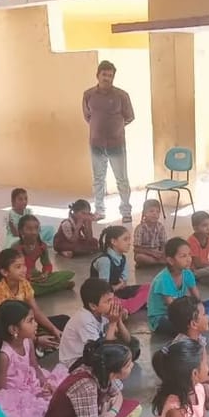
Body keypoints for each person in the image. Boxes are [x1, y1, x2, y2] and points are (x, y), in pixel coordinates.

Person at [42, 340, 152, 417]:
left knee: (136, 407)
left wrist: (110, 413)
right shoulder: (86, 385)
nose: (132, 365)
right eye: (127, 365)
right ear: (113, 374)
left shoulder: (103, 371)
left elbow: (117, 394)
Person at [0, 300, 69, 417]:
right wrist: (30, 397)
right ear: (14, 329)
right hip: (12, 393)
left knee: (57, 392)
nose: (36, 324)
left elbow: (35, 367)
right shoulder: (4, 356)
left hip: (28, 381)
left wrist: (45, 383)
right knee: (36, 409)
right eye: (30, 321)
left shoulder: (27, 341)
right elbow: (0, 392)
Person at [83, 60, 135, 223]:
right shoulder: (88, 94)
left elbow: (129, 117)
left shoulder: (121, 95)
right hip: (96, 144)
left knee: (122, 179)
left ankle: (126, 211)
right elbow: (88, 116)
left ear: (113, 77)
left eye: (110, 75)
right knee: (98, 179)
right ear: (97, 75)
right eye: (104, 75)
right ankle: (99, 210)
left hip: (116, 145)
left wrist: (116, 128)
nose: (107, 78)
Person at [0, 249, 69, 344]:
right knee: (37, 341)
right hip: (6, 334)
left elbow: (35, 310)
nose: (24, 269)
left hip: (23, 324)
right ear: (4, 272)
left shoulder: (24, 283)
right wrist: (36, 340)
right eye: (18, 267)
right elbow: (8, 328)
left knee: (64, 320)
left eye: (24, 265)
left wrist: (53, 329)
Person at [59, 279, 141, 369]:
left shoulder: (101, 313)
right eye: (108, 301)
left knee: (133, 344)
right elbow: (101, 351)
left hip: (95, 350)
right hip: (76, 363)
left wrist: (118, 321)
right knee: (113, 356)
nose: (112, 303)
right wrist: (113, 323)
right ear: (93, 306)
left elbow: (127, 340)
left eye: (113, 299)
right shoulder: (84, 320)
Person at [147, 237, 209, 333]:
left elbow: (197, 298)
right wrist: (194, 315)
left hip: (184, 312)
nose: (189, 259)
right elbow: (174, 309)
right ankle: (198, 323)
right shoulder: (163, 280)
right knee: (180, 325)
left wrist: (199, 310)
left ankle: (198, 322)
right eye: (183, 256)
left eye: (189, 255)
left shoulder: (187, 273)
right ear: (171, 260)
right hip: (163, 317)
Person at [91, 225, 151, 314]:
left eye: (129, 239)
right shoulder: (105, 260)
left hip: (117, 291)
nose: (129, 243)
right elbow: (104, 289)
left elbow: (124, 282)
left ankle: (129, 306)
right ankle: (134, 305)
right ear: (114, 241)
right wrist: (118, 286)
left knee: (150, 287)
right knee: (111, 302)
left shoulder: (122, 258)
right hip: (104, 296)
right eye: (125, 239)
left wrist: (120, 285)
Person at [15, 214, 76, 297]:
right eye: (29, 229)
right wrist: (29, 278)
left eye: (36, 228)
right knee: (23, 287)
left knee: (68, 274)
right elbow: (13, 271)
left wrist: (45, 274)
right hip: (22, 279)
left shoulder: (42, 246)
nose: (34, 232)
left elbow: (47, 264)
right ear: (21, 231)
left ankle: (45, 288)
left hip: (37, 276)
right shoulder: (16, 248)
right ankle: (59, 286)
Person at [133, 198, 168, 268]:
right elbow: (136, 248)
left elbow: (163, 243)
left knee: (173, 247)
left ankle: (158, 261)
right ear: (144, 213)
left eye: (157, 212)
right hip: (145, 253)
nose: (155, 214)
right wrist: (152, 253)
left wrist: (162, 253)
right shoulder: (139, 228)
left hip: (158, 252)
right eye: (151, 211)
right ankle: (160, 262)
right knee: (139, 257)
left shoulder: (160, 227)